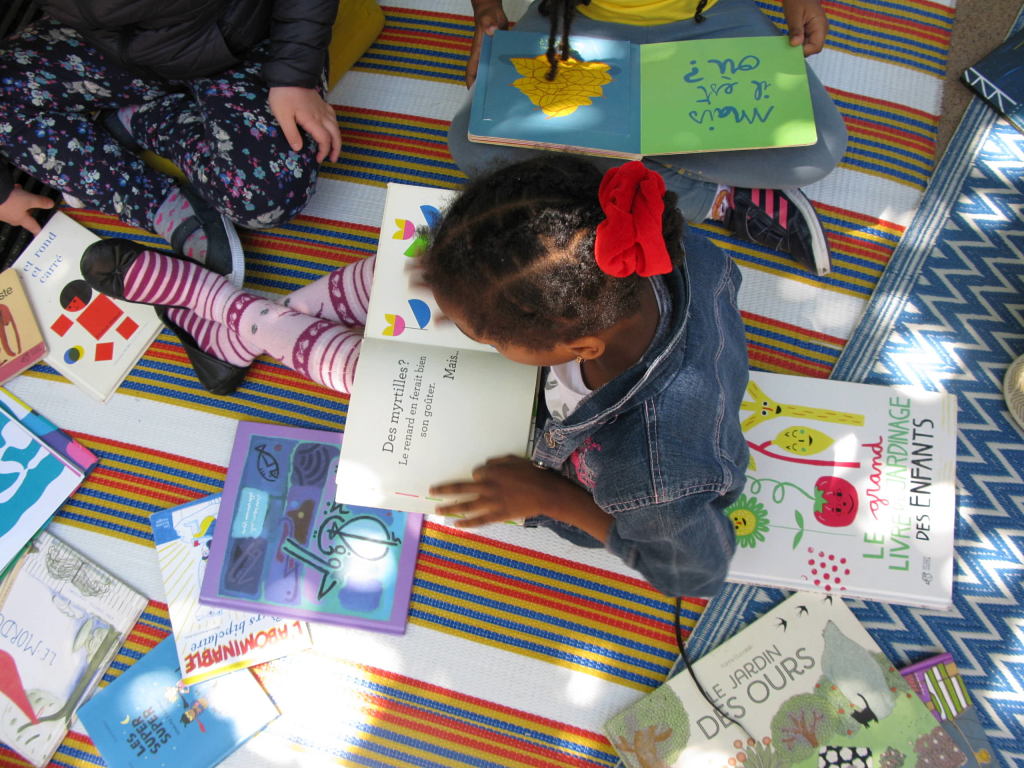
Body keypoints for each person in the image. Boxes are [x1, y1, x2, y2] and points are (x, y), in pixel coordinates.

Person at [79, 154, 749, 597]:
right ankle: (238, 322)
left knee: (370, 375)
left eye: (478, 334)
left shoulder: (657, 473)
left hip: (559, 449)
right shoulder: (643, 249)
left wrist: (552, 498)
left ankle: (225, 311)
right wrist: (455, 292)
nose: (463, 329)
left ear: (572, 344)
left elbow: (694, 571)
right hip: (548, 350)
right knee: (405, 277)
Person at [449, 0, 850, 276]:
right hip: (573, 22)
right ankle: (716, 199)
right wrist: (486, 13)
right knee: (473, 143)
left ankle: (611, 155)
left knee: (819, 146)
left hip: (710, 19)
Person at [0, 0, 344, 283]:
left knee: (267, 196)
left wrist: (294, 76)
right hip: (108, 46)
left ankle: (147, 118)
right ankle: (159, 198)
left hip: (241, 37)